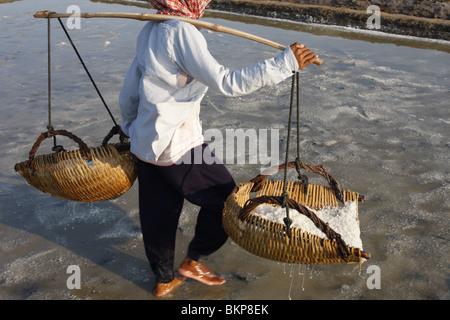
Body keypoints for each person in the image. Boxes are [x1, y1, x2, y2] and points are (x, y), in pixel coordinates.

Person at [119, 0, 318, 297]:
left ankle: (162, 280)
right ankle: (192, 261)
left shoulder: (152, 27)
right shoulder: (181, 31)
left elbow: (130, 89)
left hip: (147, 143)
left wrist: (130, 128)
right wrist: (286, 63)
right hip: (178, 144)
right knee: (228, 202)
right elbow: (227, 82)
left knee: (157, 215)